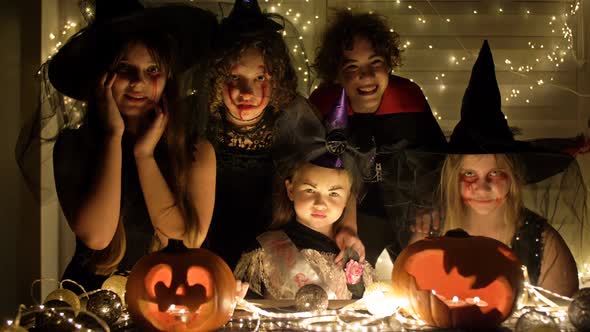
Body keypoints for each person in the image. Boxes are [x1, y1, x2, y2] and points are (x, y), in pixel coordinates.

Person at [47, 0, 218, 291]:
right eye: (124, 68)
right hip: (90, 298)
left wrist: (144, 156)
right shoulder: (73, 146)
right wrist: (114, 136)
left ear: (167, 80)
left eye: (153, 70)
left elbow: (184, 240)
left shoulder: (196, 152)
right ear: (102, 77)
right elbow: (98, 237)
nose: (138, 83)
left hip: (166, 296)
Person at [204, 0, 363, 270]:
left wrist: (348, 223)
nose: (247, 91)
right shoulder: (200, 118)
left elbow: (337, 169)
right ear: (217, 78)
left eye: (260, 78)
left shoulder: (293, 116)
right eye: (234, 78)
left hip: (276, 248)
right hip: (208, 242)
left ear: (276, 78)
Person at [437, 40, 582, 297]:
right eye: (469, 174)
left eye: (495, 173)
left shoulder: (543, 243)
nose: (482, 187)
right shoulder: (434, 232)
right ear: (453, 178)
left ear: (513, 177)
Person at [310, 11, 447, 266]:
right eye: (352, 66)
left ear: (389, 64)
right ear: (336, 73)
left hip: (410, 212)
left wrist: (431, 202)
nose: (367, 75)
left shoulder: (409, 98)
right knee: (344, 283)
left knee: (424, 278)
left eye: (375, 62)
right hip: (349, 217)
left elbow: (437, 158)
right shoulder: (323, 106)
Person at [235, 90, 374, 299]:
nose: (320, 203)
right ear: (291, 190)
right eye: (310, 190)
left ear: (348, 199)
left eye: (334, 194)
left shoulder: (352, 255)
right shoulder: (265, 251)